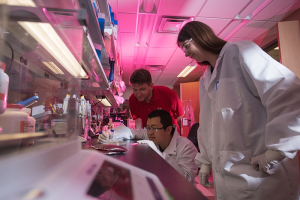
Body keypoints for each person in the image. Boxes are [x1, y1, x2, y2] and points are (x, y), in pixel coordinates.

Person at [177, 21, 300, 200]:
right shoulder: (205, 79)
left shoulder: (240, 52)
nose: (186, 53)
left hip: (262, 174)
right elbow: (207, 124)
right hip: (227, 180)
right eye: (182, 49)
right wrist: (205, 161)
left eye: (186, 45)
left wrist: (278, 150)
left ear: (201, 36)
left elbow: (287, 93)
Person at [98, 109, 198, 184]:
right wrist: (111, 135)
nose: (149, 132)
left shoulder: (186, 147)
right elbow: (130, 132)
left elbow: (187, 180)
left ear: (168, 130)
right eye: (148, 127)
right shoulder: (153, 135)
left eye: (154, 128)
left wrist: (160, 155)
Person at [129, 68, 184, 132]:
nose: (138, 94)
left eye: (142, 89)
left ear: (151, 86)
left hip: (171, 135)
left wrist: (167, 124)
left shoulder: (169, 94)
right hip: (150, 135)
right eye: (135, 90)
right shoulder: (132, 99)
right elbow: (137, 120)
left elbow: (180, 114)